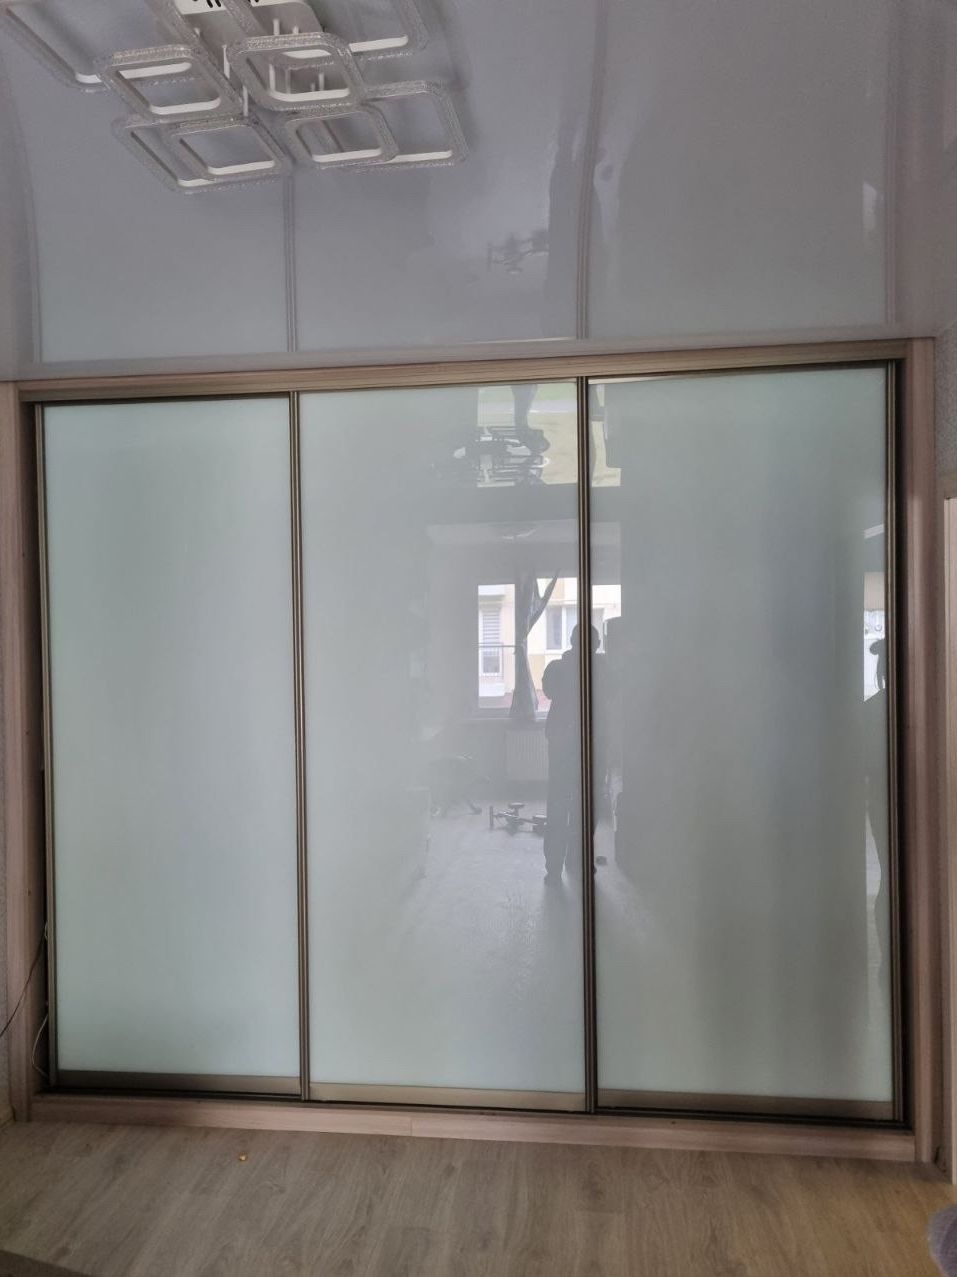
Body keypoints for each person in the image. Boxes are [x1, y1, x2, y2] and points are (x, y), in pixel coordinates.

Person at [541, 623, 601, 881]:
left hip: (566, 744)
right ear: (596, 645)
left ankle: (555, 866)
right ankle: (576, 861)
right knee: (585, 805)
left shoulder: (556, 668)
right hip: (589, 745)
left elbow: (549, 690)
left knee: (559, 802)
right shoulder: (601, 669)